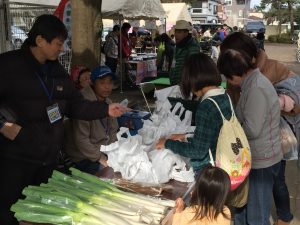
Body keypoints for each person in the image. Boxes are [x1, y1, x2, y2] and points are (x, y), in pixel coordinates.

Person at [0, 14, 127, 225]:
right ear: (40, 40)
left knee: (41, 214)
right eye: (58, 43)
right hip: (16, 159)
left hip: (48, 159)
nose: (62, 49)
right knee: (10, 211)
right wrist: (2, 124)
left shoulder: (57, 70)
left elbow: (75, 105)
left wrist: (105, 110)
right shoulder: (8, 65)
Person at [220, 32, 294, 225]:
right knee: (245, 208)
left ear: (238, 69)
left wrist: (230, 131)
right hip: (255, 156)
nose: (228, 81)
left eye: (229, 77)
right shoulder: (250, 83)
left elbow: (252, 129)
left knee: (257, 214)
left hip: (262, 160)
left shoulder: (256, 88)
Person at [156, 52, 232, 173]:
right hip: (225, 161)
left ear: (193, 80)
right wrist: (186, 136)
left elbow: (197, 151)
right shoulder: (224, 95)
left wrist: (167, 143)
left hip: (210, 170)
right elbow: (211, 133)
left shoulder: (206, 106)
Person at [66, 65, 119, 175]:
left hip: (102, 151)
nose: (107, 87)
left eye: (109, 83)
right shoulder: (83, 104)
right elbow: (81, 140)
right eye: (102, 83)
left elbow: (113, 130)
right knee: (114, 175)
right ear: (93, 83)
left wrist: (113, 152)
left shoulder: (108, 102)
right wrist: (101, 158)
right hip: (83, 156)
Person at [169, 20, 200, 85]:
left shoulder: (193, 46)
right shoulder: (178, 45)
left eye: (179, 32)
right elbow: (174, 64)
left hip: (186, 86)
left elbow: (192, 69)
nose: (176, 34)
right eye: (176, 32)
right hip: (175, 85)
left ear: (186, 33)